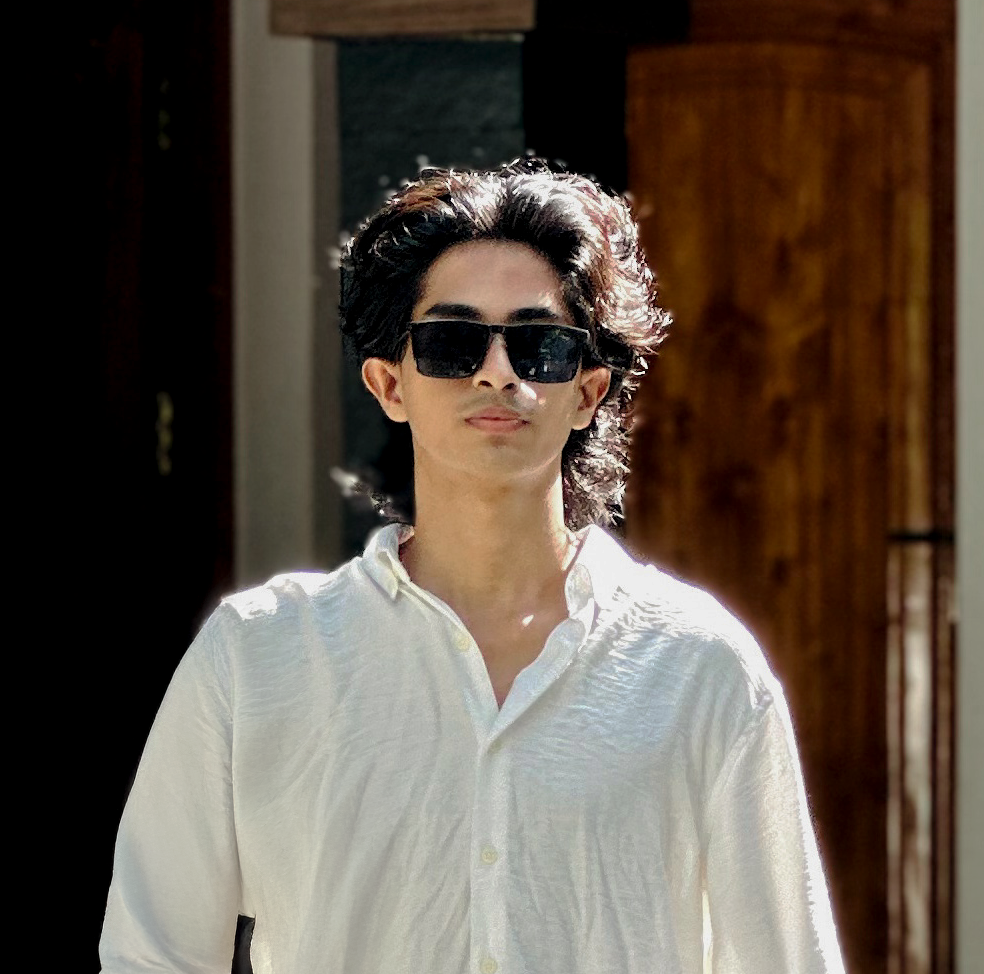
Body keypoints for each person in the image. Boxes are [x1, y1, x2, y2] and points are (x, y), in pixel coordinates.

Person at [100, 158, 845, 973]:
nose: (498, 372)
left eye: (539, 345)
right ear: (389, 384)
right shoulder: (256, 659)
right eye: (452, 342)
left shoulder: (700, 669)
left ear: (588, 393)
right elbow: (152, 959)